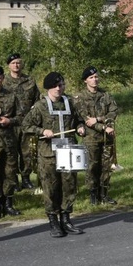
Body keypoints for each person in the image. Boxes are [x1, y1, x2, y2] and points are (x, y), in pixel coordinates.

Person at [22, 72, 86, 237]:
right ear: (49, 87)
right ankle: (53, 221)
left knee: (69, 186)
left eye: (61, 85)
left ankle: (66, 219)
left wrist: (80, 127)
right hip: (49, 154)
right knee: (51, 187)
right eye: (56, 86)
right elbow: (26, 125)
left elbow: (79, 119)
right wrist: (42, 130)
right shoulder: (40, 106)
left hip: (68, 151)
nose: (59, 88)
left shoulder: (70, 102)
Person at [74, 66, 118, 205]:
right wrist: (103, 126)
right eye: (91, 78)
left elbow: (114, 112)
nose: (95, 80)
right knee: (92, 167)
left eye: (96, 77)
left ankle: (104, 193)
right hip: (90, 137)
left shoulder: (105, 95)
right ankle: (93, 194)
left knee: (106, 166)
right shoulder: (80, 98)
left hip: (106, 138)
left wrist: (99, 119)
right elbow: (85, 120)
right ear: (85, 81)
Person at [3, 53, 40, 191]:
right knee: (11, 154)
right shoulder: (4, 82)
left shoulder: (29, 80)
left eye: (18, 62)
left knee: (27, 153)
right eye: (13, 63)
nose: (16, 65)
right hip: (10, 124)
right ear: (9, 65)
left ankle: (25, 178)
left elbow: (37, 100)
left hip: (27, 122)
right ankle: (14, 181)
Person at [0, 65, 22, 217]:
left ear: (3, 79)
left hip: (9, 141)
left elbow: (21, 117)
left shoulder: (11, 96)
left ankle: (8, 204)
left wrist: (9, 120)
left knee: (10, 173)